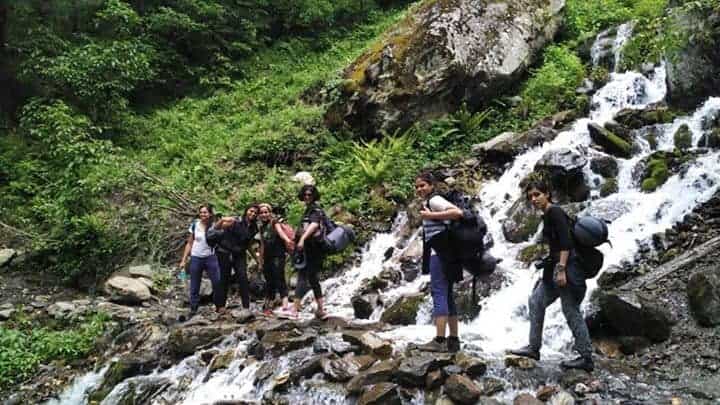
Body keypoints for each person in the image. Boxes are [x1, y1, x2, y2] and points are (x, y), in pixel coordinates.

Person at [508, 178, 594, 372]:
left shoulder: (555, 212)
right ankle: (533, 348)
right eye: (530, 196)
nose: (533, 199)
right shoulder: (547, 214)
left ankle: (586, 357)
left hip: (568, 269)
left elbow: (566, 242)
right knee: (536, 301)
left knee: (570, 309)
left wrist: (562, 269)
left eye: (537, 194)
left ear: (547, 194)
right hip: (555, 268)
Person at [414, 172, 464, 353]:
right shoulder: (432, 201)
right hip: (448, 253)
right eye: (417, 186)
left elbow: (457, 213)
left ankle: (440, 340)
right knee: (448, 295)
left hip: (441, 254)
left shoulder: (434, 201)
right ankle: (453, 340)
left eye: (423, 185)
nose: (420, 189)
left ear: (431, 185)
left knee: (439, 293)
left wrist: (431, 216)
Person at [211, 204, 258, 311]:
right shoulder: (235, 221)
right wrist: (222, 219)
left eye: (255, 213)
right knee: (224, 278)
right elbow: (216, 228)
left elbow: (248, 244)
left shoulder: (254, 227)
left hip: (239, 254)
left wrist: (257, 259)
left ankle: (246, 306)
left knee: (243, 278)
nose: (253, 214)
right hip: (224, 252)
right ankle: (220, 306)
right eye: (251, 211)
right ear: (246, 211)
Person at [179, 203, 223, 317]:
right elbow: (189, 243)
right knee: (194, 284)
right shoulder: (194, 225)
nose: (203, 214)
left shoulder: (214, 225)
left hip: (210, 257)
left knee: (217, 282)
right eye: (201, 212)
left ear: (210, 214)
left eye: (205, 212)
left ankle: (218, 306)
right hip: (196, 257)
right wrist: (183, 260)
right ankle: (193, 308)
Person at [292, 184, 327, 319]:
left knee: (302, 276)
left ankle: (294, 310)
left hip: (312, 249)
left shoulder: (315, 209)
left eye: (310, 195)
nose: (307, 197)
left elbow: (314, 224)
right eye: (305, 194)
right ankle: (321, 310)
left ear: (314, 196)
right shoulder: (309, 209)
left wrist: (302, 240)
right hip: (311, 248)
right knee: (313, 279)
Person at [258, 203, 294, 315]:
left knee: (279, 278)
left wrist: (287, 240)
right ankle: (269, 305)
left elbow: (280, 232)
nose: (264, 214)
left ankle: (285, 305)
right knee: (269, 281)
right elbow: (262, 244)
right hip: (267, 257)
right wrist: (260, 261)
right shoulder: (261, 227)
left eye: (266, 212)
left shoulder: (274, 222)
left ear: (270, 213)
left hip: (278, 255)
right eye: (262, 212)